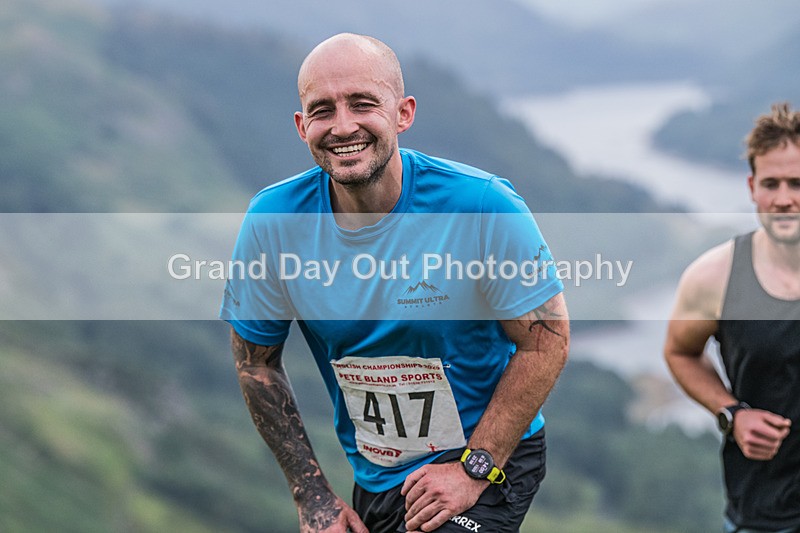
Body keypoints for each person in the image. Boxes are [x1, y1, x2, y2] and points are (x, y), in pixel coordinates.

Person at [220, 33, 569, 532]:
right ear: (302, 126)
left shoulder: (480, 204)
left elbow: (547, 340)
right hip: (380, 479)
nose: (343, 126)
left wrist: (475, 467)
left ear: (403, 113)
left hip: (489, 458)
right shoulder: (273, 221)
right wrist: (313, 496)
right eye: (322, 110)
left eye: (362, 104)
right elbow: (256, 365)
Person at [664, 102, 800, 533]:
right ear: (751, 186)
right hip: (765, 512)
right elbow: (679, 353)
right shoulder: (714, 278)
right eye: (771, 183)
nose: (784, 199)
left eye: (797, 183)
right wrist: (732, 413)